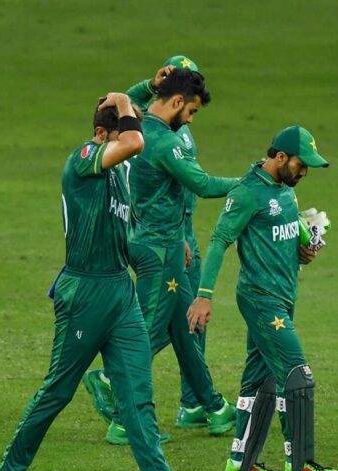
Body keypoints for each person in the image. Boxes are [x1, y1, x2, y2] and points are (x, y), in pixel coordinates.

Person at [0, 94, 212, 471]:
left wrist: (164, 249)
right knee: (58, 390)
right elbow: (131, 142)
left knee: (137, 393)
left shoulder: (119, 175)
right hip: (84, 293)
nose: (131, 140)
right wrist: (129, 100)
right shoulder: (84, 157)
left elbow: (122, 224)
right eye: (124, 129)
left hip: (119, 293)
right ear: (100, 134)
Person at [83, 68, 237, 445]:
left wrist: (150, 85)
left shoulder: (134, 127)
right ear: (179, 101)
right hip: (159, 252)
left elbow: (114, 97)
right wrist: (255, 180)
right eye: (192, 111)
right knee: (144, 336)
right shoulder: (165, 143)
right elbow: (201, 184)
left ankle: (215, 406)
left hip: (149, 238)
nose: (190, 119)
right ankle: (122, 417)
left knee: (186, 326)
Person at [187, 126, 338, 471]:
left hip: (282, 297)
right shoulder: (247, 193)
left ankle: (241, 462)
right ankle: (300, 465)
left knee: (262, 381)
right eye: (302, 165)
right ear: (281, 157)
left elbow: (290, 231)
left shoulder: (286, 191)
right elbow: (219, 239)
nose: (304, 173)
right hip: (261, 299)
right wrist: (204, 295)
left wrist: (307, 245)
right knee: (296, 374)